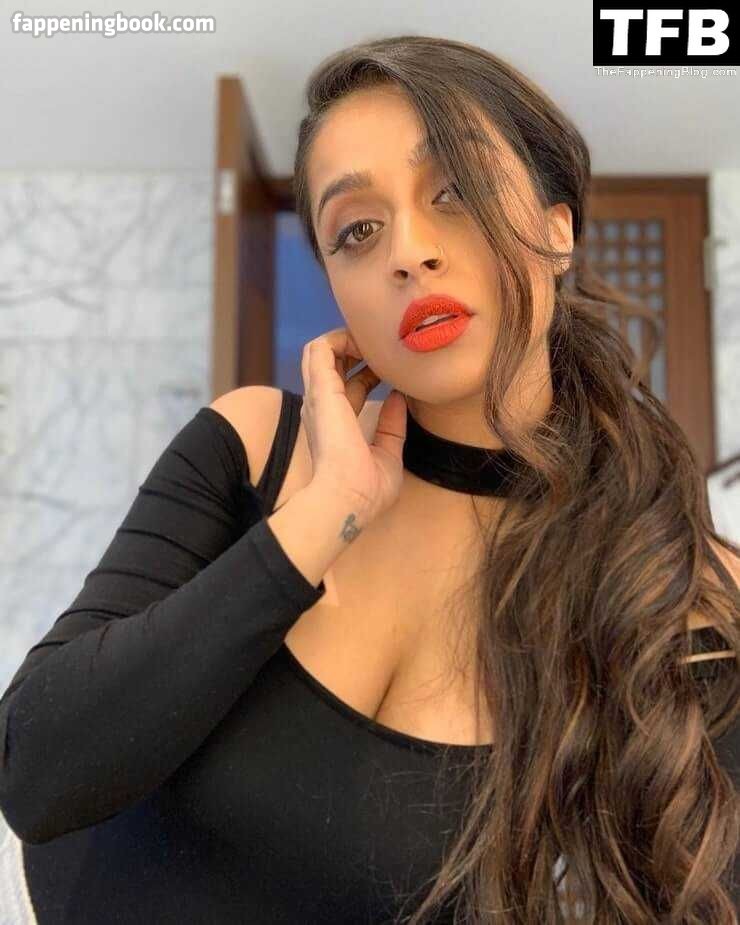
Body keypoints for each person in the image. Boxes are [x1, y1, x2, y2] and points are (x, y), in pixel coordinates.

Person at [1, 34, 738, 925]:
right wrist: (323, 518)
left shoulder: (686, 594)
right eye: (357, 230)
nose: (409, 252)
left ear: (557, 230)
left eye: (455, 192)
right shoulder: (259, 448)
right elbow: (35, 770)